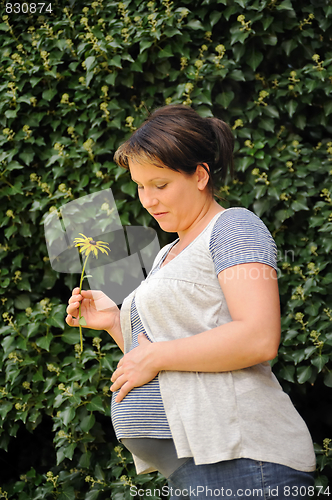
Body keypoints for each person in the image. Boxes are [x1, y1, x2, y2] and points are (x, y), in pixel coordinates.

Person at [66, 105, 316, 499]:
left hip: (248, 465)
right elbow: (164, 358)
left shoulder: (233, 227)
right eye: (140, 186)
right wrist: (116, 322)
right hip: (194, 472)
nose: (147, 200)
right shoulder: (168, 253)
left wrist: (156, 355)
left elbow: (258, 337)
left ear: (200, 175)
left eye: (160, 185)